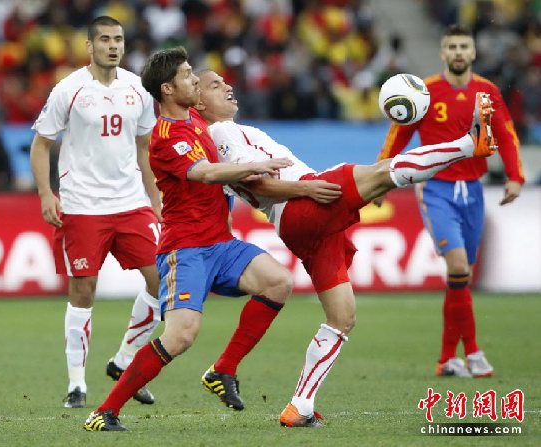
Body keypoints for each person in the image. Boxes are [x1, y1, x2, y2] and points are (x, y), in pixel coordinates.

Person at [194, 68, 497, 427]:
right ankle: (469, 143)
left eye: (225, 82)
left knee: (342, 317)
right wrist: (307, 190)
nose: (228, 86)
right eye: (215, 86)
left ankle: (299, 407)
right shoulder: (221, 131)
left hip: (294, 224)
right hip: (302, 203)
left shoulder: (218, 137)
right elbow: (257, 184)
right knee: (385, 172)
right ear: (198, 102)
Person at [83, 46, 340, 432]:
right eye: (188, 76)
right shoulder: (167, 135)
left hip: (221, 243)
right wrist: (255, 165)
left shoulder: (201, 126)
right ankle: (104, 411)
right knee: (182, 335)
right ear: (168, 89)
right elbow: (203, 173)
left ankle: (224, 369)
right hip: (184, 250)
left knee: (278, 281)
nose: (195, 82)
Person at [376, 24, 524, 378]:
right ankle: (472, 352)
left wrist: (516, 176)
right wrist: (381, 179)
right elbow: (398, 136)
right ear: (443, 53)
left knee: (461, 277)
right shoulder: (424, 93)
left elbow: (505, 132)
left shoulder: (486, 92)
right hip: (436, 188)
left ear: (473, 53)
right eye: (452, 47)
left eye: (464, 47)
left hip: (472, 190)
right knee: (458, 267)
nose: (458, 52)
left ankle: (446, 359)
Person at [30, 16, 162, 409]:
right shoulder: (68, 90)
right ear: (89, 46)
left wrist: (154, 199)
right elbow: (41, 145)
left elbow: (144, 148)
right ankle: (77, 384)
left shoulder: (137, 88)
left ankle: (124, 362)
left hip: (129, 202)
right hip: (82, 205)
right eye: (104, 39)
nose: (112, 45)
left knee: (164, 282)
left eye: (118, 39)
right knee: (83, 290)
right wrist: (45, 194)